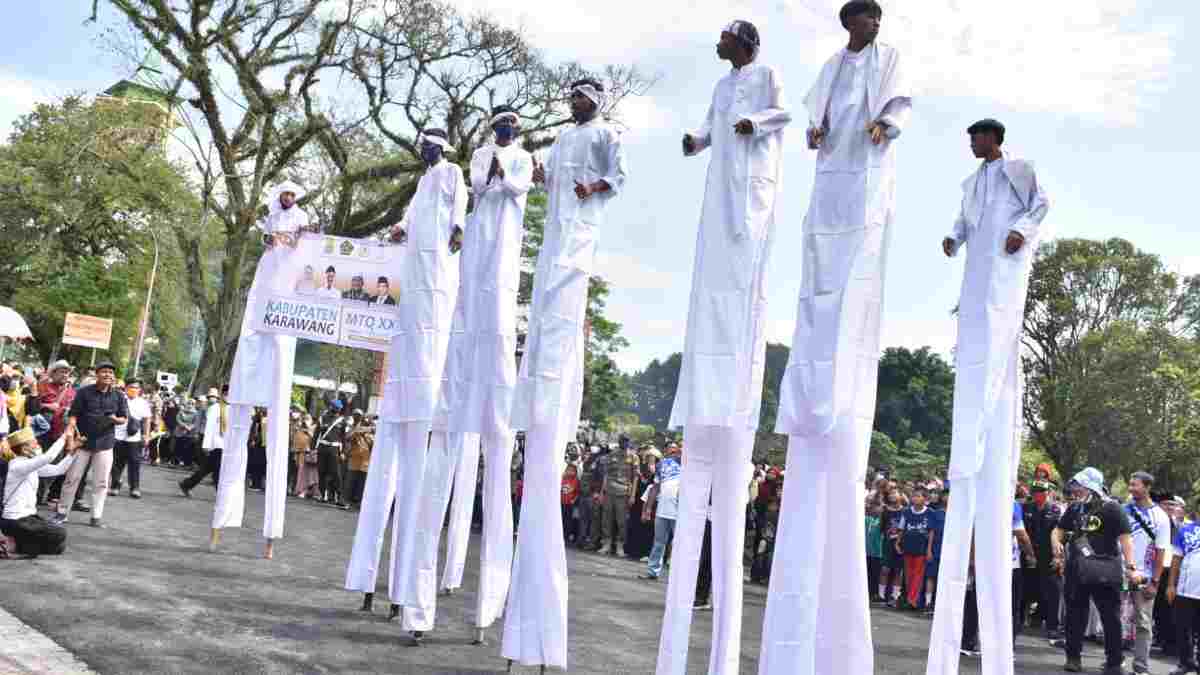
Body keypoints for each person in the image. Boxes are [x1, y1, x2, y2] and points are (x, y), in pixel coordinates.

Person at [761, 3, 911, 672]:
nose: (871, 24)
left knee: (855, 268)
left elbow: (898, 106)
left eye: (877, 16)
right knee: (820, 259)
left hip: (869, 167)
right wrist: (821, 129)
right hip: (832, 177)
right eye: (862, 15)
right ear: (848, 21)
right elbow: (815, 114)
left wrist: (884, 124)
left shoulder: (888, 61)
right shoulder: (832, 64)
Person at [658, 19, 790, 675]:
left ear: (745, 43)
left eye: (724, 39)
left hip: (753, 181)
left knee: (743, 263)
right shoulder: (719, 84)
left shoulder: (764, 77)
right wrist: (698, 138)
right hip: (721, 183)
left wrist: (752, 127)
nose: (717, 46)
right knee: (714, 266)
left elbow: (783, 113)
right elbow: (711, 122)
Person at [503, 77, 628, 671]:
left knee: (566, 291)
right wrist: (543, 171)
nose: (576, 101)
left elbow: (619, 180)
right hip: (553, 234)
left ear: (596, 100)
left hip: (582, 228)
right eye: (572, 94)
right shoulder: (557, 141)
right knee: (547, 291)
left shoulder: (605, 134)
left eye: (584, 94)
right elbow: (544, 181)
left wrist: (590, 185)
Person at [926, 116, 1050, 675]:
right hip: (978, 268)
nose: (972, 145)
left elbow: (1042, 204)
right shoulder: (972, 184)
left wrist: (1024, 229)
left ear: (993, 139)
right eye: (969, 139)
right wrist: (954, 236)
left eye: (976, 138)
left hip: (1008, 259)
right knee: (976, 317)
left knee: (1000, 310)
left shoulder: (1017, 170)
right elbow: (964, 218)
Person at [346, 128, 465, 631]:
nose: (427, 149)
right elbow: (410, 220)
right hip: (413, 288)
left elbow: (458, 211)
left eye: (432, 143)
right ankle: (372, 584)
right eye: (423, 144)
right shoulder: (421, 185)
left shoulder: (452, 174)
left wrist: (456, 231)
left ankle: (403, 594)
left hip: (437, 275)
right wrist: (397, 231)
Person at [211, 181, 307, 559]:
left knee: (278, 414)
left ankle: (270, 535)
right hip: (263, 302)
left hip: (286, 301)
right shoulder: (271, 218)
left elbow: (301, 246)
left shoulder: (300, 219)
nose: (287, 200)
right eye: (283, 195)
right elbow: (269, 242)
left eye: (290, 196)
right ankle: (221, 521)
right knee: (239, 414)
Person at [1053, 469, 1140, 674]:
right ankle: (1073, 658)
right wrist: (1056, 542)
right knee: (1075, 616)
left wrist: (1131, 567)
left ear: (1093, 486)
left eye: (1082, 486)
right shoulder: (1075, 508)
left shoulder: (1113, 508)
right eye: (1077, 486)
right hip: (1077, 571)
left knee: (1111, 618)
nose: (1077, 490)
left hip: (1105, 571)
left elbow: (1126, 539)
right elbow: (1058, 529)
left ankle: (1114, 662)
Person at [53, 361, 128, 528]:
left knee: (101, 482)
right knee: (72, 478)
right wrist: (71, 436)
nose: (108, 375)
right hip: (83, 442)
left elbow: (124, 418)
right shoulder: (84, 393)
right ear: (97, 374)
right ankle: (62, 513)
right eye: (104, 372)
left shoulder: (118, 396)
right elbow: (73, 415)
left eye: (110, 372)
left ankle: (96, 516)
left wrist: (115, 419)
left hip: (105, 444)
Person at [1123, 472, 1172, 674]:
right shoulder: (1122, 510)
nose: (1131, 488)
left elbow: (1161, 551)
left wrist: (1155, 582)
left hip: (1144, 577)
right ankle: (1113, 660)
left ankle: (1140, 667)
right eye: (1130, 484)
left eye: (1135, 485)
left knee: (1143, 623)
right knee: (1114, 619)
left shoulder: (1160, 516)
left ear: (1147, 487)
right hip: (1119, 573)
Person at [2, 428, 76, 556]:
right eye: (34, 443)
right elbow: (49, 457)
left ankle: (18, 544)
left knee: (58, 546)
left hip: (29, 518)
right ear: (24, 449)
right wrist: (64, 437)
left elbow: (59, 469)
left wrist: (74, 450)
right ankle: (16, 545)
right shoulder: (17, 466)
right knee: (59, 534)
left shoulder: (31, 465)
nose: (38, 445)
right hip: (15, 520)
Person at [1167, 497, 1200, 675]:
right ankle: (1185, 663)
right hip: (1186, 590)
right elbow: (1176, 560)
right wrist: (1171, 585)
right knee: (1183, 628)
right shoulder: (1185, 531)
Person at [642, 443, 683, 580]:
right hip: (662, 511)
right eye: (679, 448)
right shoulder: (664, 464)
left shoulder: (693, 467)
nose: (681, 451)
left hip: (681, 513)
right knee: (659, 542)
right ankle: (653, 571)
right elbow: (655, 487)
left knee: (680, 545)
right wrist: (648, 508)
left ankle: (679, 577)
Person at [110, 378, 152, 499]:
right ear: (126, 388)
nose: (134, 390)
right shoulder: (119, 399)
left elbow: (147, 419)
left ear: (140, 390)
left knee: (134, 463)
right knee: (116, 463)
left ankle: (134, 488)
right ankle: (115, 485)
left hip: (134, 438)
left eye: (136, 388)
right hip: (117, 436)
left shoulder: (143, 403)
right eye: (131, 387)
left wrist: (146, 435)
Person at [179, 391, 226, 498]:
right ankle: (221, 495)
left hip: (222, 443)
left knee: (207, 468)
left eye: (213, 396)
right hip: (213, 443)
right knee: (217, 469)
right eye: (210, 396)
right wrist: (206, 444)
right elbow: (207, 427)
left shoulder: (227, 409)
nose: (211, 398)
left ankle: (186, 484)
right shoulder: (212, 409)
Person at [896, 488, 934, 610]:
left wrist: (929, 549)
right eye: (914, 496)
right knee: (908, 574)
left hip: (921, 548)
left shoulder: (929, 513)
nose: (916, 498)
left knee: (918, 574)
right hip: (908, 547)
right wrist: (897, 542)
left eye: (919, 496)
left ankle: (913, 600)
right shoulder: (906, 512)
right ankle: (909, 597)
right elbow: (901, 528)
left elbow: (931, 532)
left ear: (925, 499)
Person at [315, 402, 349, 504]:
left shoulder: (342, 421)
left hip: (334, 449)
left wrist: (343, 452)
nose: (335, 409)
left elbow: (344, 439)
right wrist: (312, 449)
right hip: (322, 448)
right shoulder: (322, 418)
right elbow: (316, 434)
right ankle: (322, 495)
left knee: (336, 474)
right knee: (321, 472)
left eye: (337, 408)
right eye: (334, 407)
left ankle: (339, 498)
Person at [292, 414, 318, 498]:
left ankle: (312, 492)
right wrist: (296, 454)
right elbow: (296, 443)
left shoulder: (314, 429)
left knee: (312, 475)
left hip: (311, 455)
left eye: (307, 420)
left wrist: (309, 432)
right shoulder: (299, 430)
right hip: (302, 455)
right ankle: (301, 490)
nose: (305, 422)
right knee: (301, 474)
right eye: (305, 420)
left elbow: (315, 441)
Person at [561, 464, 580, 543]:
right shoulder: (563, 479)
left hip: (570, 504)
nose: (570, 472)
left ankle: (567, 536)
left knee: (569, 521)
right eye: (568, 470)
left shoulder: (576, 481)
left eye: (572, 470)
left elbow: (577, 493)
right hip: (562, 503)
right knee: (562, 520)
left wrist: (574, 500)